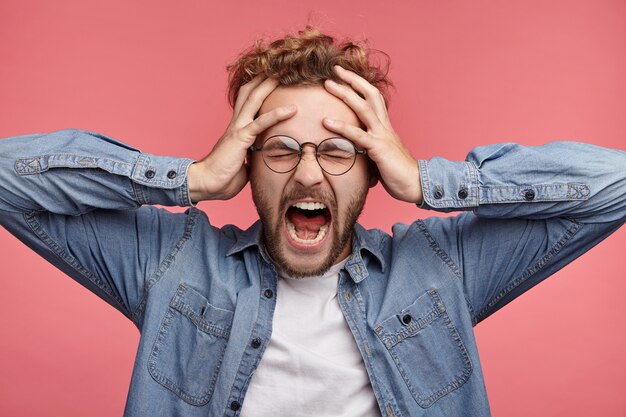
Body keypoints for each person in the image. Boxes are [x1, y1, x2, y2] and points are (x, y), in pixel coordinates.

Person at [0, 26, 624, 417]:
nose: (306, 175)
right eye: (279, 149)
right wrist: (191, 178)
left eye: (336, 151)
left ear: (372, 172)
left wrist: (428, 182)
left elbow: (614, 187)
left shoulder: (440, 269)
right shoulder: (173, 263)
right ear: (245, 167)